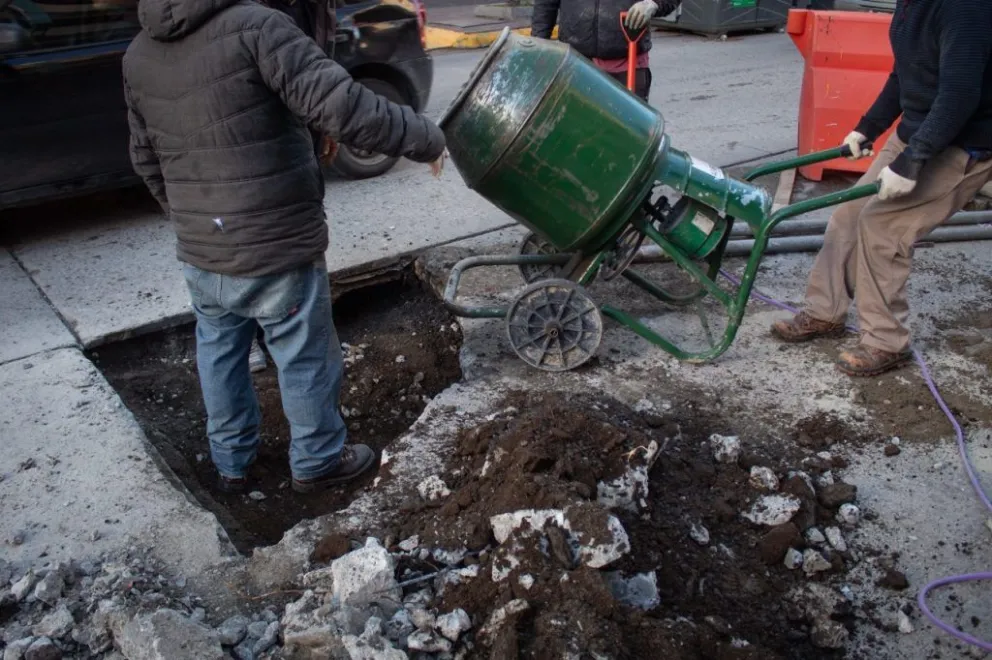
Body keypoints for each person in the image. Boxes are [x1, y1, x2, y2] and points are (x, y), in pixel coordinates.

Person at [123, 0, 445, 493]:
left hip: (202, 247)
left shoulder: (138, 53)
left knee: (220, 351)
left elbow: (144, 157)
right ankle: (318, 460)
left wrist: (192, 220)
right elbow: (345, 106)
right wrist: (425, 139)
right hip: (274, 242)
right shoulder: (257, 26)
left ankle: (230, 463)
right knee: (304, 355)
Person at [771, 0, 992, 377]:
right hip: (918, 133)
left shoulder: (964, 9)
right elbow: (903, 74)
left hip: (964, 143)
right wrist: (868, 127)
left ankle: (887, 341)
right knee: (848, 216)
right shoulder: (910, 4)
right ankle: (825, 312)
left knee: (883, 227)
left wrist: (912, 161)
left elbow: (959, 95)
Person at [531, 0, 677, 101]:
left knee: (627, 131)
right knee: (578, 130)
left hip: (627, 62)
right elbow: (545, 4)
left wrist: (654, 3)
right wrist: (538, 46)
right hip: (577, 64)